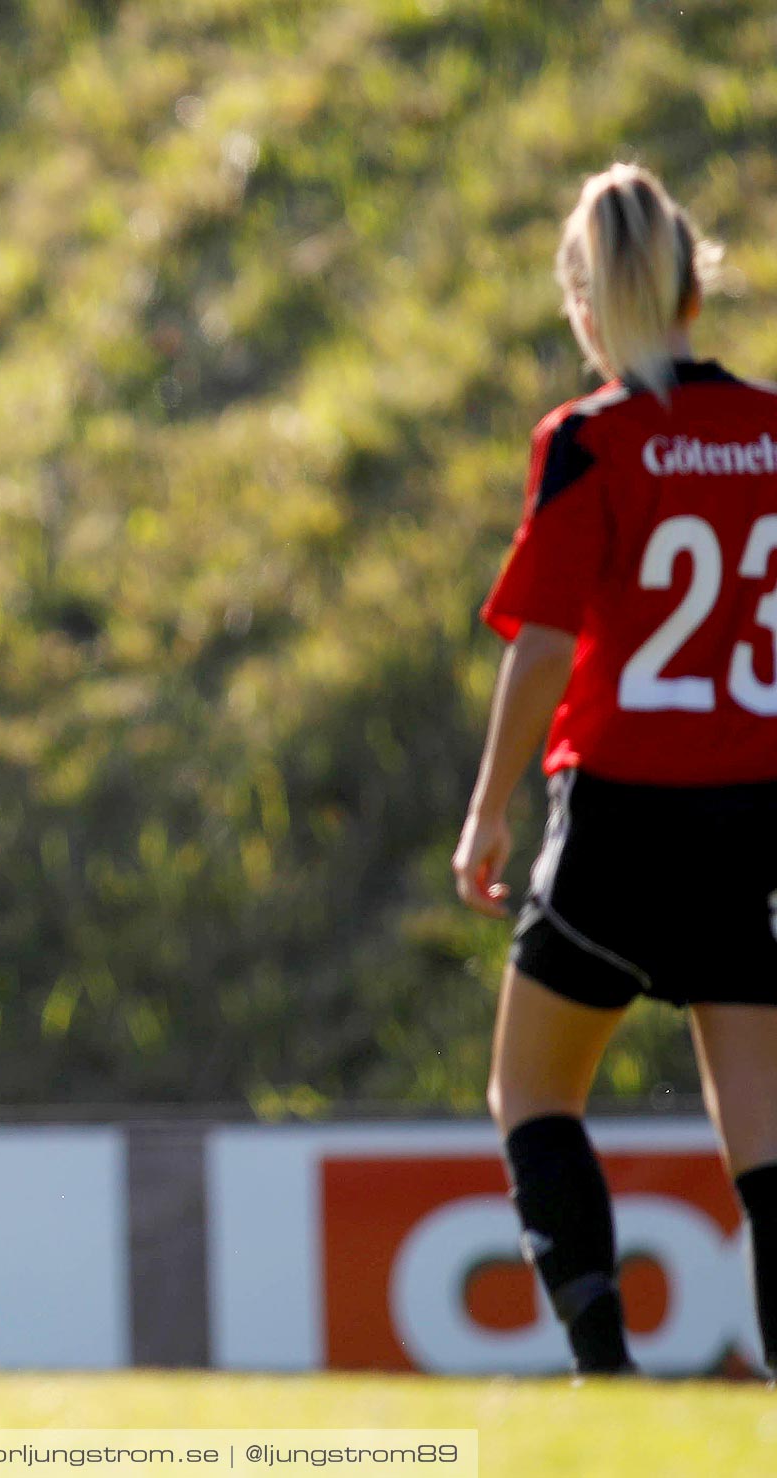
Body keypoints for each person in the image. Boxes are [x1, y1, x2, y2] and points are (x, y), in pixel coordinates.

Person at [454, 163, 777, 1379]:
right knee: (768, 1151)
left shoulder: (591, 439)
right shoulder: (774, 431)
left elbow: (543, 649)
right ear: (699, 286)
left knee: (531, 1096)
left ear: (588, 304)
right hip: (755, 816)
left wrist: (489, 809)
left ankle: (608, 1376)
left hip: (624, 818)